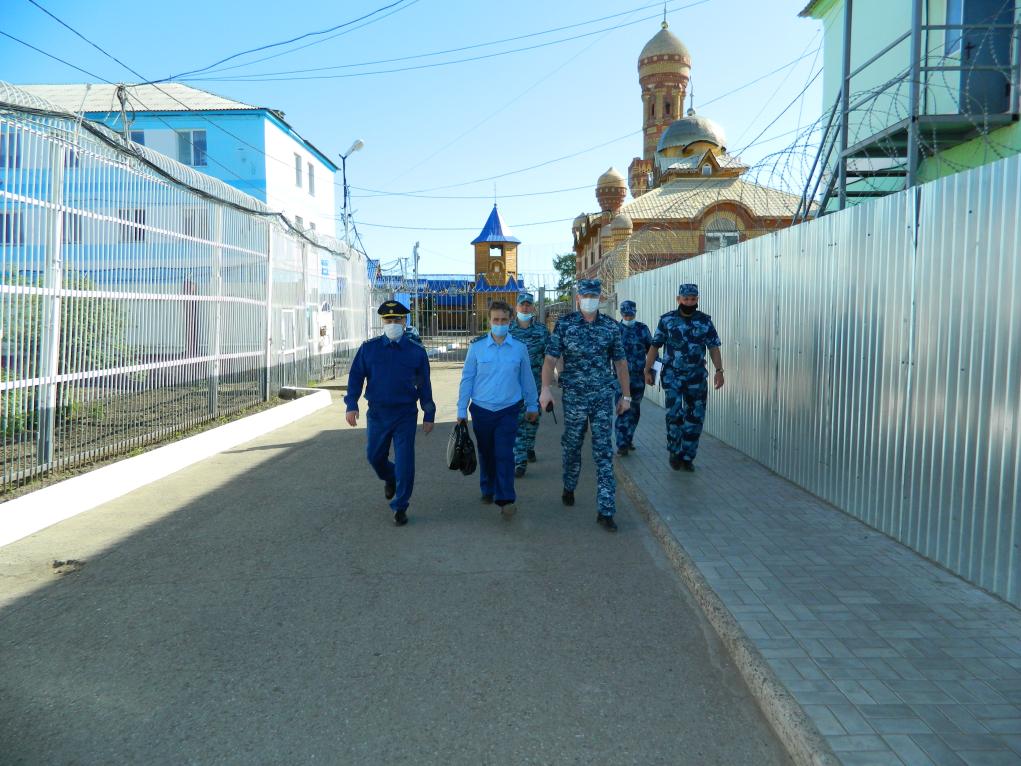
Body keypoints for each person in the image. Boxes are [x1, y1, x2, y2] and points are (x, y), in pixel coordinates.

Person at [539, 279, 631, 532]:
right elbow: (549, 360)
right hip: (575, 398)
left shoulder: (611, 327)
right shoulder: (565, 325)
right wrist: (546, 389)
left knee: (603, 451)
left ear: (600, 298)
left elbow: (621, 364)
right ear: (578, 298)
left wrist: (626, 396)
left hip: (602, 397)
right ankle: (569, 485)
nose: (589, 298)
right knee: (573, 445)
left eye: (594, 294)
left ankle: (606, 510)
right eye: (585, 294)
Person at [344, 300, 435, 526]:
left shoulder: (416, 352)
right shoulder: (369, 349)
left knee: (405, 461)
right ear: (382, 322)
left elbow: (424, 384)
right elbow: (356, 377)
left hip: (405, 414)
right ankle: (390, 477)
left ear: (405, 322)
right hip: (377, 413)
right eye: (388, 320)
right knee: (374, 456)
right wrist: (351, 404)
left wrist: (429, 412)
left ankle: (400, 506)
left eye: (397, 320)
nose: (393, 323)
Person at [457, 301, 539, 519]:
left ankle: (506, 498)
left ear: (510, 321)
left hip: (508, 410)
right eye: (496, 320)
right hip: (482, 410)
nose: (499, 323)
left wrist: (532, 404)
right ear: (489, 321)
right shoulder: (477, 347)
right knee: (486, 452)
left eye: (504, 320)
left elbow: (527, 379)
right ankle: (488, 488)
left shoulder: (520, 348)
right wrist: (461, 410)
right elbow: (467, 379)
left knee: (504, 453)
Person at [644, 283, 724, 472]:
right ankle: (674, 450)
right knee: (674, 415)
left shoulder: (704, 321)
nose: (689, 302)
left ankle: (688, 456)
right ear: (678, 299)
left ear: (697, 299)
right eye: (686, 299)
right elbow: (655, 346)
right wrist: (647, 370)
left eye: (693, 299)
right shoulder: (667, 320)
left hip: (696, 377)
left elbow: (713, 347)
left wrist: (719, 371)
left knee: (695, 417)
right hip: (672, 376)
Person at [509, 291, 550, 478]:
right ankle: (520, 460)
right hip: (513, 385)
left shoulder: (542, 331)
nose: (525, 307)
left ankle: (528, 446)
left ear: (533, 307)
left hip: (535, 383)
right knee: (517, 421)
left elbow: (549, 358)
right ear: (516, 307)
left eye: (528, 305)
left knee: (533, 420)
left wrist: (552, 379)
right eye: (522, 304)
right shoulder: (508, 330)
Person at [614, 300, 653, 456]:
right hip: (619, 379)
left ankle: (628, 438)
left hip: (638, 378)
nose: (629, 317)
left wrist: (651, 372)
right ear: (621, 314)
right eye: (626, 314)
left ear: (635, 313)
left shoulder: (642, 329)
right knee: (622, 409)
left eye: (631, 314)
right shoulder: (615, 330)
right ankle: (622, 444)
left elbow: (652, 352)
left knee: (634, 411)